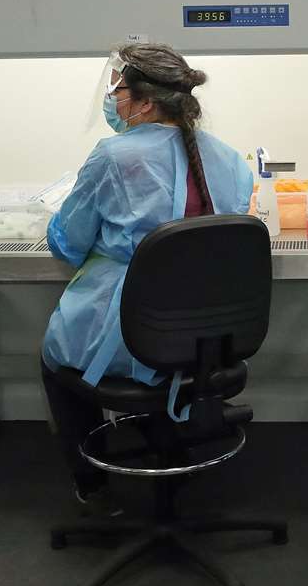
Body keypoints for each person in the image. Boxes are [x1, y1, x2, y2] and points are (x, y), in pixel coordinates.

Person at [40, 42, 253, 511]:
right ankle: (170, 449)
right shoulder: (230, 159)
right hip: (206, 337)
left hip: (133, 332)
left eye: (117, 90)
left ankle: (93, 484)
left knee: (54, 357)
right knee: (164, 358)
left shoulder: (114, 156)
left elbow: (69, 243)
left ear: (146, 102)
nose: (112, 100)